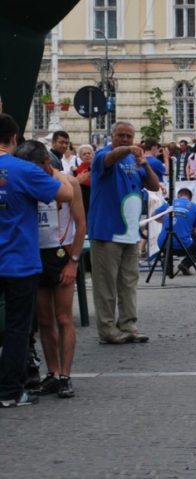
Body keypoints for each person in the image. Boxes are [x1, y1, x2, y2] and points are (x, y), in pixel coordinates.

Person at [0, 115, 73, 408]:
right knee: (18, 328)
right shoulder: (23, 169)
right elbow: (66, 193)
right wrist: (51, 170)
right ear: (15, 139)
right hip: (18, 261)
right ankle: (8, 392)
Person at [15, 141, 86, 399]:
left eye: (36, 167)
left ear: (46, 161)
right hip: (36, 255)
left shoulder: (69, 183)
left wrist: (73, 261)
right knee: (44, 321)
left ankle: (66, 375)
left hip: (61, 253)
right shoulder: (28, 183)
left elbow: (81, 225)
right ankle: (53, 373)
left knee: (64, 318)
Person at [88, 121, 161, 345]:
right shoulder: (103, 155)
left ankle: (129, 325)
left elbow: (155, 186)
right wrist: (127, 150)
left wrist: (144, 164)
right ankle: (108, 329)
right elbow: (111, 159)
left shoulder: (132, 160)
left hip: (130, 232)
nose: (126, 139)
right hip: (107, 232)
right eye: (121, 135)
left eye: (129, 136)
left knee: (128, 282)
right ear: (112, 137)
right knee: (106, 285)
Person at [154, 188, 196, 277]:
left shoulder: (169, 204)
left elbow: (154, 216)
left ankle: (166, 263)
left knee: (168, 239)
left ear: (178, 195)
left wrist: (166, 221)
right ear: (190, 198)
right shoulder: (195, 207)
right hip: (182, 245)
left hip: (163, 244)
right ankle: (185, 264)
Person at [74, 144, 95, 214]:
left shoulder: (98, 167)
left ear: (93, 154)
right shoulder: (78, 170)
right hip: (85, 198)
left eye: (89, 153)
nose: (87, 155)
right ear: (80, 157)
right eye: (84, 154)